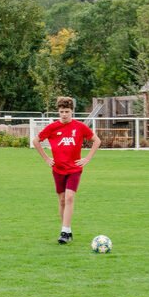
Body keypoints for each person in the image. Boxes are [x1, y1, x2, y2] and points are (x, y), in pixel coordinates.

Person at [34, 96, 101, 244]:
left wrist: (87, 158)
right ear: (58, 112)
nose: (64, 114)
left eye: (67, 111)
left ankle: (64, 231)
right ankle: (67, 229)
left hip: (74, 169)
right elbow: (36, 141)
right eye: (62, 111)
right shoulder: (52, 127)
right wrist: (46, 158)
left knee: (70, 197)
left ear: (72, 112)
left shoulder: (79, 127)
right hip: (58, 169)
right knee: (62, 200)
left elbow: (97, 140)